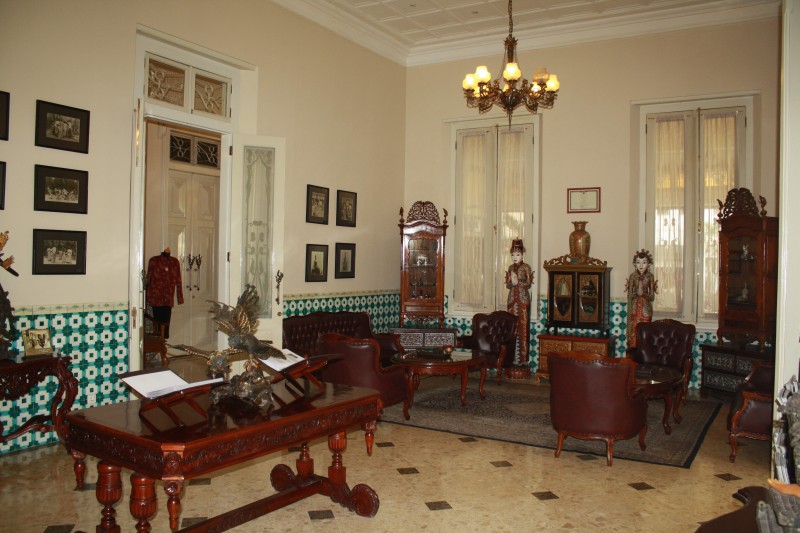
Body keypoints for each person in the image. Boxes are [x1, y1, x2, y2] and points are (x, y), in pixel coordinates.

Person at [505, 238, 534, 366]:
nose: (514, 257)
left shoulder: (526, 267)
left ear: (523, 254)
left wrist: (518, 282)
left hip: (523, 300)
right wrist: (512, 282)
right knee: (512, 329)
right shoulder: (510, 267)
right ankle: (512, 359)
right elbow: (508, 285)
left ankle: (523, 360)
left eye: (517, 254)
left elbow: (528, 284)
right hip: (512, 300)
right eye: (513, 255)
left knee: (523, 328)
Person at [145, 247, 184, 339]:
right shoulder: (153, 261)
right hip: (155, 299)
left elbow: (178, 280)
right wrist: (146, 298)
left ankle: (162, 344)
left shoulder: (175, 262)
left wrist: (180, 298)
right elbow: (149, 279)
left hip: (168, 300)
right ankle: (159, 344)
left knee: (165, 329)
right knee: (157, 328)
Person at [624, 249, 658, 348]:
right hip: (634, 310)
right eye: (638, 262)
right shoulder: (632, 276)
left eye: (644, 262)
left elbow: (652, 297)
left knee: (645, 335)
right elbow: (629, 296)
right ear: (635, 264)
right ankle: (632, 354)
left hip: (646, 311)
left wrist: (643, 294)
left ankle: (645, 354)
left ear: (648, 264)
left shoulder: (650, 276)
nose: (641, 265)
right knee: (634, 335)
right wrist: (636, 294)